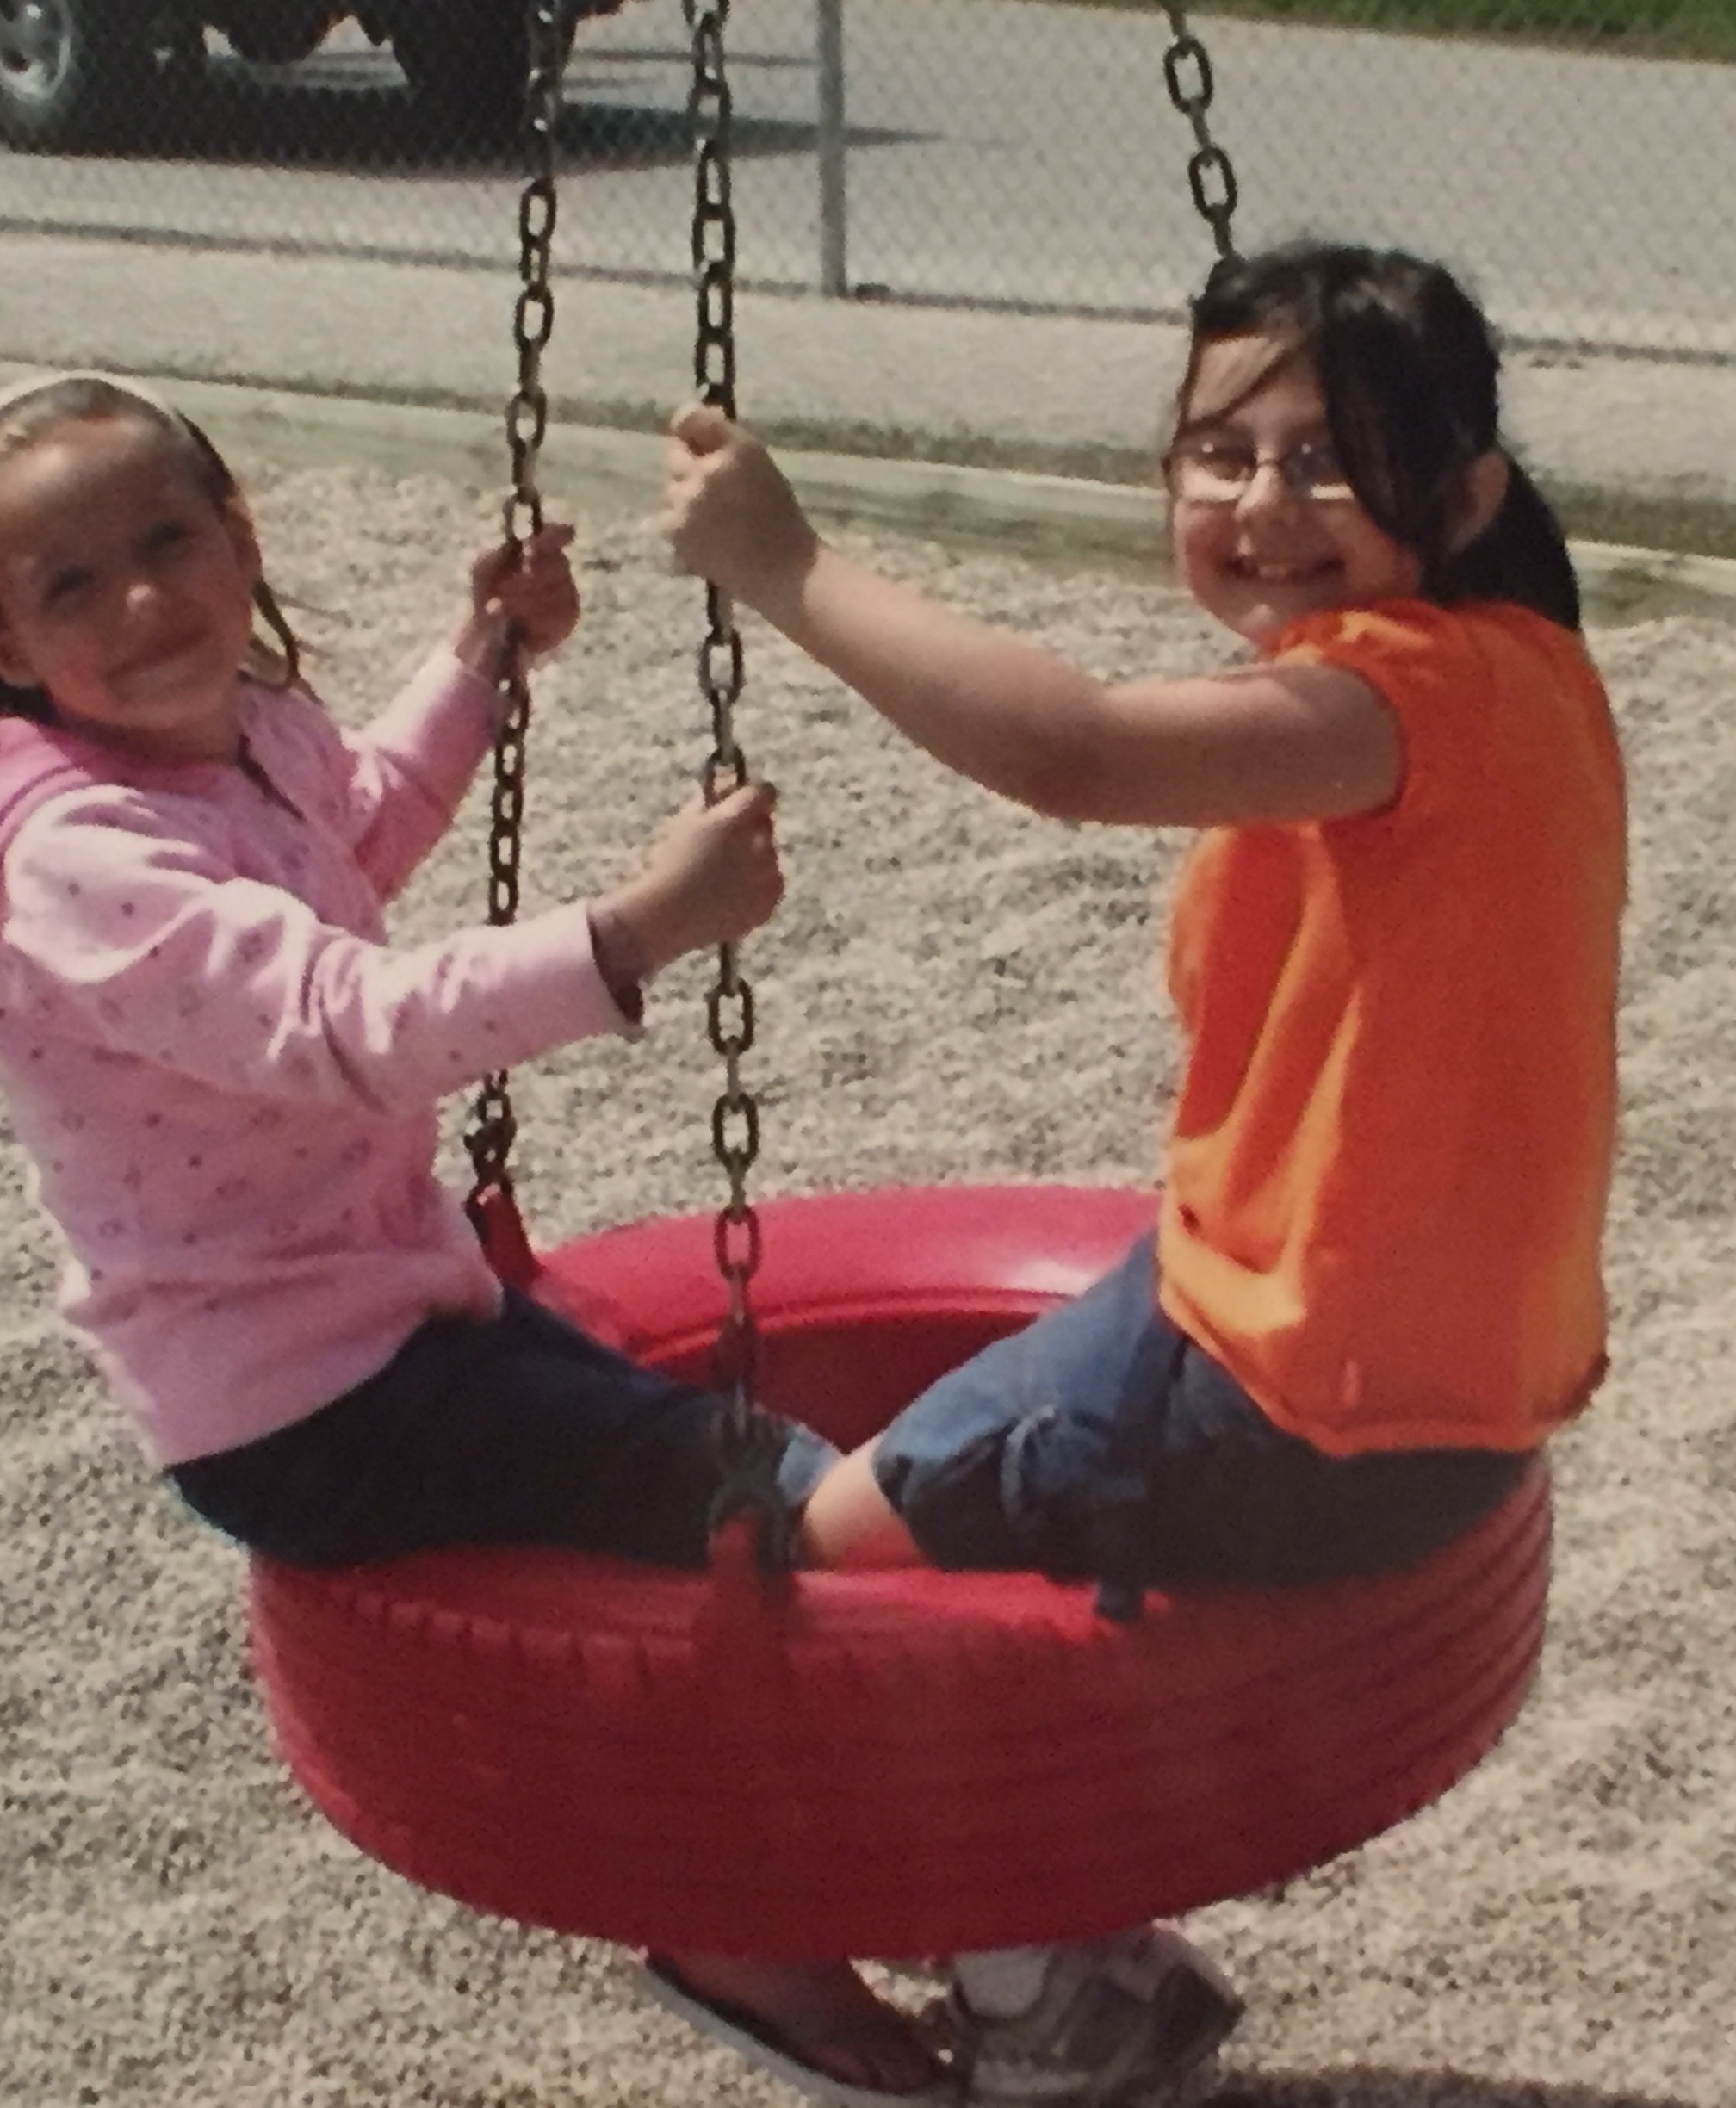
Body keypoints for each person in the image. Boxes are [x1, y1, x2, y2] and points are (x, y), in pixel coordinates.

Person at [0, 370, 957, 2108]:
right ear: (1, 643)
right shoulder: (71, 857)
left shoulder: (240, 730)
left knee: (698, 1499)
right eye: (72, 587)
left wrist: (480, 659)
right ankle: (766, 1928)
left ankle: (818, 1880)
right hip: (302, 1403)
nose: (144, 602)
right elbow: (347, 1017)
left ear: (240, 538)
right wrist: (637, 930)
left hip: (397, 1310)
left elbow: (358, 825)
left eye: (168, 541)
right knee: (764, 1498)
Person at [660, 241, 1625, 2104]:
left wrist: (783, 565)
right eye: (1222, 454)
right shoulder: (1525, 676)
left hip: (1286, 1383)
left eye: (1333, 459)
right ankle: (1074, 1952)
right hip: (1437, 1374)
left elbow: (1073, 750)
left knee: (826, 1580)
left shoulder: (1401, 703)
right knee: (960, 1471)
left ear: (1472, 492)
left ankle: (1041, 1999)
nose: (1267, 503)